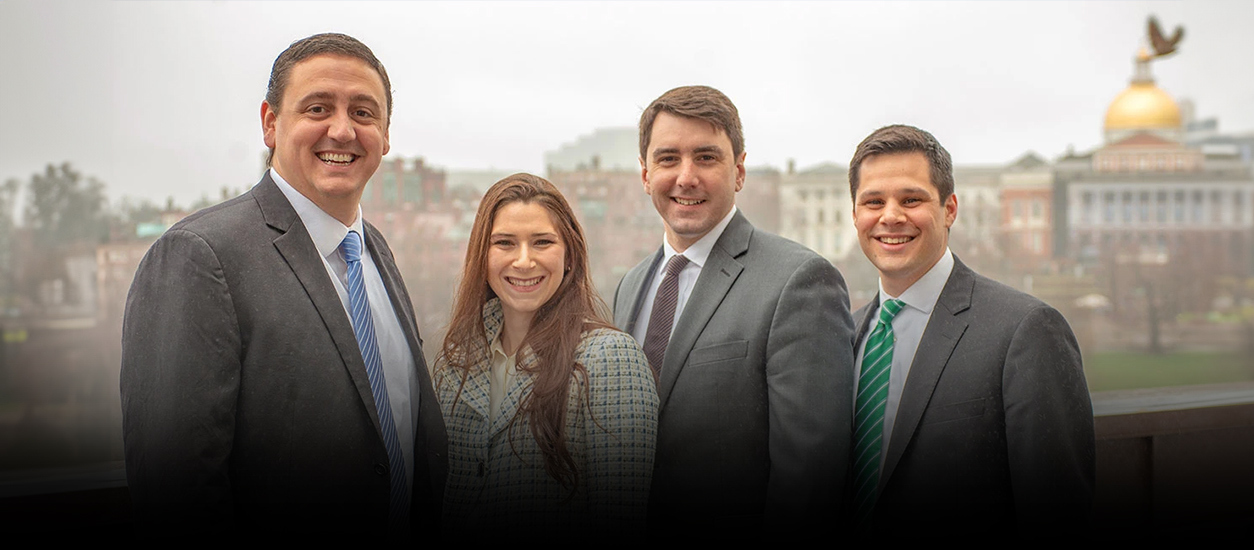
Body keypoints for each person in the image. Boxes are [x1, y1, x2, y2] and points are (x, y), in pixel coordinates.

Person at [120, 33, 447, 538]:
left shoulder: (375, 250)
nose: (342, 130)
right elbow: (175, 490)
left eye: (364, 113)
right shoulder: (200, 255)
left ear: (385, 135)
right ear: (271, 124)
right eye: (318, 108)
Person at [611, 85, 854, 534]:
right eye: (668, 159)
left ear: (739, 171)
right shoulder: (630, 286)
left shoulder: (799, 282)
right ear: (644, 175)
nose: (686, 177)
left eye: (706, 157)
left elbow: (811, 482)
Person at [845, 124, 1094, 536]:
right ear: (855, 214)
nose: (890, 216)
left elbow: (1058, 515)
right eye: (873, 201)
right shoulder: (845, 336)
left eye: (911, 199)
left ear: (949, 209)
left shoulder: (1027, 331)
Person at [435, 173, 657, 535]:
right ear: (482, 256)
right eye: (505, 243)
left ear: (569, 256)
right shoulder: (455, 362)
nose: (524, 261)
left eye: (542, 242)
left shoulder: (611, 358)